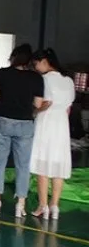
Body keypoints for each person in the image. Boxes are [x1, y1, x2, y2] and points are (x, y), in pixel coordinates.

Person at [0, 44, 44, 217]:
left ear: (13, 57)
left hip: (3, 120)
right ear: (30, 61)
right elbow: (38, 104)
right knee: (23, 165)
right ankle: (20, 204)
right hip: (25, 123)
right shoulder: (36, 78)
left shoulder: (2, 73)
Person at [30, 48, 76, 220]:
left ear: (44, 62)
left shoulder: (44, 79)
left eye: (36, 64)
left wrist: (34, 112)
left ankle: (43, 206)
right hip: (62, 125)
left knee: (42, 166)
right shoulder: (68, 80)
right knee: (58, 166)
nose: (36, 68)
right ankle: (54, 206)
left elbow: (46, 103)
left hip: (46, 123)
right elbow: (68, 108)